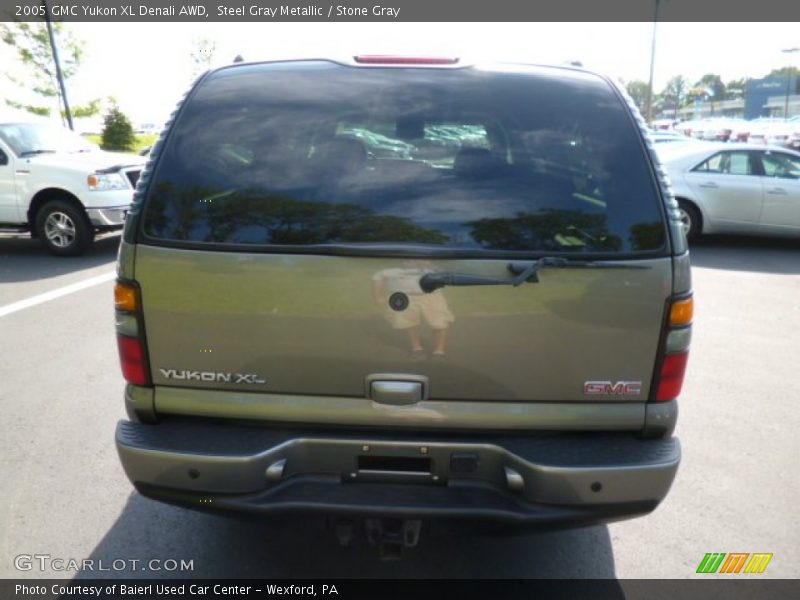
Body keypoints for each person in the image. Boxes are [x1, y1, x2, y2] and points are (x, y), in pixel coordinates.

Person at [371, 261, 455, 360]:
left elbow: (448, 274)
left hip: (432, 295)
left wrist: (429, 264)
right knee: (410, 322)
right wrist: (378, 296)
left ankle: (439, 352)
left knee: (440, 322)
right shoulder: (390, 266)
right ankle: (417, 349)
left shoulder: (430, 264)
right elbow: (379, 277)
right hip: (403, 296)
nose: (411, 260)